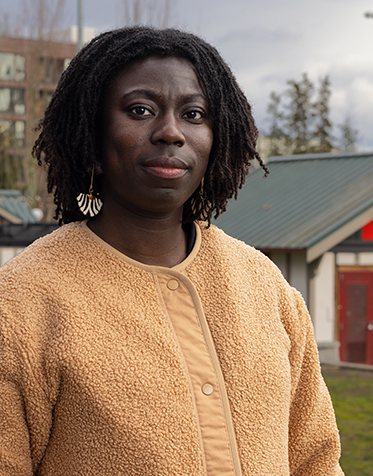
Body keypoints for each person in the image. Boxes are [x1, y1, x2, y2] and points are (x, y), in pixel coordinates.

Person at [0, 27, 343, 476]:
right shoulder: (21, 302)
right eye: (140, 110)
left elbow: (315, 461)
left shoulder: (264, 285)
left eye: (194, 114)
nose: (170, 132)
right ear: (92, 138)